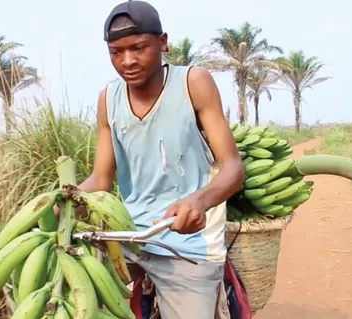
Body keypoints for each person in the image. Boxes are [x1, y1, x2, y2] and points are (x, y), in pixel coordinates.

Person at [59, 1, 245, 318]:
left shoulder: (193, 83)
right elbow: (101, 178)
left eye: (138, 48)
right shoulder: (108, 99)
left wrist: (200, 201)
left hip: (187, 244)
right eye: (116, 52)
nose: (127, 61)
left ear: (162, 42)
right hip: (128, 236)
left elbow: (233, 168)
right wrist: (67, 198)